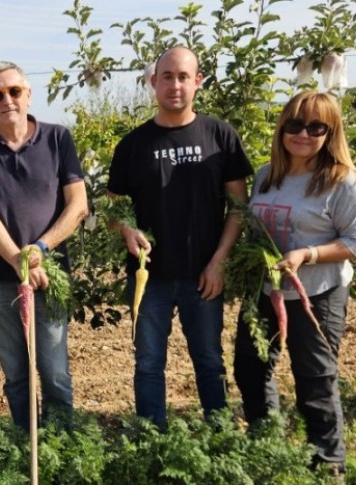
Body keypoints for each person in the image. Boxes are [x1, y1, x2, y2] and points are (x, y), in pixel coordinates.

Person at [233, 91, 356, 485]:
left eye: (316, 127)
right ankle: (268, 450)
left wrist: (306, 255)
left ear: (331, 133)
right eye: (295, 124)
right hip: (267, 290)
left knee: (315, 379)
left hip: (317, 293)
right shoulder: (266, 175)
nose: (303, 134)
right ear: (282, 128)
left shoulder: (343, 181)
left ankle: (329, 471)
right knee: (250, 369)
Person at [106, 46, 254, 428]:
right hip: (148, 278)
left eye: (183, 76)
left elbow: (239, 208)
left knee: (208, 360)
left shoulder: (220, 135)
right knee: (148, 364)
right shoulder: (132, 145)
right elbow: (113, 210)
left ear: (198, 81)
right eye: (167, 76)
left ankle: (219, 435)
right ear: (153, 82)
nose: (175, 84)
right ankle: (151, 441)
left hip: (204, 274)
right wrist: (127, 229)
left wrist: (219, 262)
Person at [0, 61, 89, 429]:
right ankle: (24, 443)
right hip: (1, 279)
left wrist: (41, 251)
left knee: (55, 373)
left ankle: (62, 445)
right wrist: (19, 260)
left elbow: (78, 205)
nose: (7, 100)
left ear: (28, 94)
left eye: (14, 91)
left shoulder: (57, 138)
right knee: (16, 374)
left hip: (50, 275)